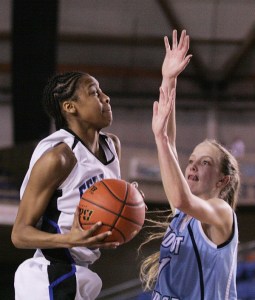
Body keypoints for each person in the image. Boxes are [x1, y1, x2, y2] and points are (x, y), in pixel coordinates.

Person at [139, 30, 240, 299]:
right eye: (191, 160)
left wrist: (160, 139)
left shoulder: (221, 213)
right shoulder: (183, 216)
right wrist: (169, 79)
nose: (192, 166)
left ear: (222, 180)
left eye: (205, 162)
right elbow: (170, 143)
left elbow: (181, 197)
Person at [11, 71, 122, 300]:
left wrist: (131, 201)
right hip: (50, 274)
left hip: (80, 274)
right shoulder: (59, 158)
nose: (105, 97)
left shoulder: (111, 147)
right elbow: (19, 234)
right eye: (94, 92)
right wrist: (68, 239)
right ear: (70, 107)